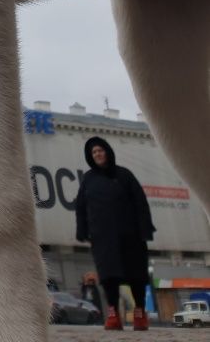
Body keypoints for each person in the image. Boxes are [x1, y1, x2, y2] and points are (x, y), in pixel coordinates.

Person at [75, 136, 156, 331]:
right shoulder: (88, 179)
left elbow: (140, 203)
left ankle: (139, 312)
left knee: (136, 275)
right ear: (90, 156)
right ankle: (113, 314)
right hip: (103, 238)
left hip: (131, 236)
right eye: (94, 152)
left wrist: (145, 229)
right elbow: (80, 207)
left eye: (100, 150)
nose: (98, 154)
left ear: (108, 151)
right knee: (108, 277)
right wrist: (82, 230)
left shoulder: (125, 175)